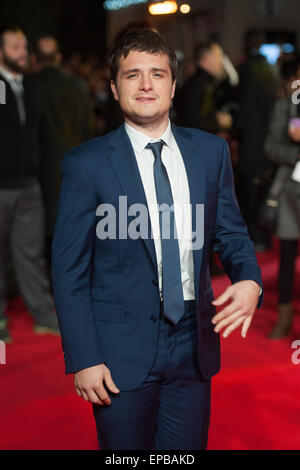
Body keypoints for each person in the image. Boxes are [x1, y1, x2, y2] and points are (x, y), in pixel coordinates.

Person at [51, 28, 262, 450]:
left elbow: (230, 231)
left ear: (173, 83)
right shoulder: (86, 164)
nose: (146, 85)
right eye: (133, 75)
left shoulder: (211, 152)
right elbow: (68, 269)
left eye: (157, 73)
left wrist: (250, 278)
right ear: (113, 88)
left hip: (193, 339)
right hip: (117, 349)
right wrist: (84, 357)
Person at [0, 25, 59, 342]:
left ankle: (43, 314)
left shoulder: (31, 86)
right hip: (1, 186)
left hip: (29, 185)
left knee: (31, 254)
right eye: (15, 47)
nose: (23, 53)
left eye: (24, 47)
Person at [31, 35, 93, 261]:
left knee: (44, 239)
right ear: (58, 58)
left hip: (42, 172)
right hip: (77, 168)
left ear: (33, 59)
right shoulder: (78, 86)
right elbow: (88, 129)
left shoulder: (30, 86)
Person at [264, 58, 300, 339]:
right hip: (289, 189)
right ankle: (284, 316)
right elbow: (271, 147)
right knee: (287, 254)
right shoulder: (282, 107)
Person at [236, 29, 279, 252]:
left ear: (246, 44)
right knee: (264, 190)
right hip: (269, 140)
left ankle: (252, 237)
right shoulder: (272, 71)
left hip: (250, 140)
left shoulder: (245, 70)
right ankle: (263, 236)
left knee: (248, 193)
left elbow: (240, 109)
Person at [174, 40, 233, 134]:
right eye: (218, 57)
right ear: (207, 59)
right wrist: (217, 121)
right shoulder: (196, 86)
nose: (221, 62)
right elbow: (189, 120)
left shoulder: (207, 83)